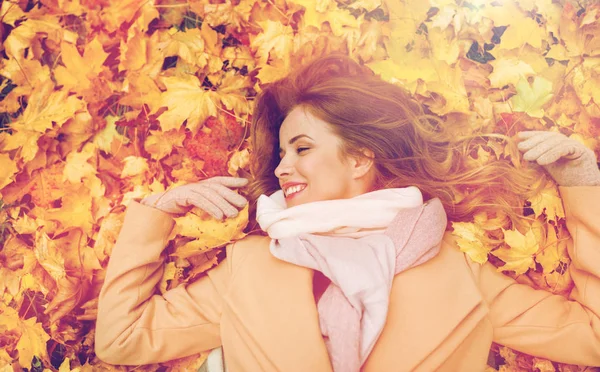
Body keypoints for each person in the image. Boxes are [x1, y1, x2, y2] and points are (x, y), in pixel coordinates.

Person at [94, 53, 600, 371]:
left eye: (302, 148)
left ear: (360, 158)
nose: (283, 167)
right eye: (281, 154)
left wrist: (582, 185)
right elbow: (121, 340)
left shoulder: (460, 275)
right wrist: (157, 214)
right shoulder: (249, 268)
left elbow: (592, 339)